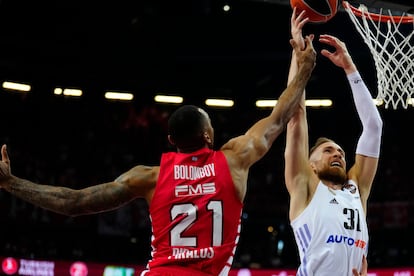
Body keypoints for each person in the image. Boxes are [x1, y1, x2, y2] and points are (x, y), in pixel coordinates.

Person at [0, 37, 316, 275]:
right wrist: (304, 68)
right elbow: (278, 117)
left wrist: (10, 182)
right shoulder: (235, 159)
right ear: (208, 135)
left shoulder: (148, 177)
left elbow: (73, 202)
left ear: (170, 141)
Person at [284, 8, 383, 276]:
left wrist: (350, 68)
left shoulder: (356, 189)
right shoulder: (304, 185)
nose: (338, 154)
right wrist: (300, 59)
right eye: (328, 151)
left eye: (340, 151)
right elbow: (295, 116)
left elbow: (374, 127)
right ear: (310, 164)